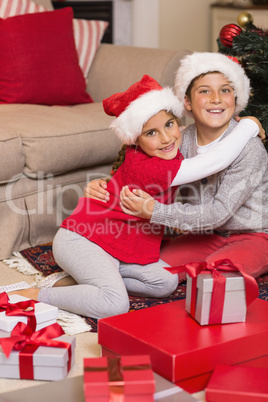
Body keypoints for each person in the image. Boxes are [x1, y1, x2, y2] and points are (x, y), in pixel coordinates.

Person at [9, 70, 263, 319]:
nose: (165, 138)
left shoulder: (176, 142)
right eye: (151, 133)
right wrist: (249, 126)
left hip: (120, 245)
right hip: (87, 239)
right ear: (187, 103)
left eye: (169, 125)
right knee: (114, 304)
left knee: (164, 283)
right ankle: (37, 295)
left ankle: (96, 279)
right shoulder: (165, 154)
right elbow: (212, 162)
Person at [108, 52, 268, 281]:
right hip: (205, 234)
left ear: (236, 97)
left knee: (215, 276)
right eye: (204, 91)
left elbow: (218, 214)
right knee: (153, 270)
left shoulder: (249, 148)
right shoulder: (178, 141)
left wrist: (155, 211)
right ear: (187, 102)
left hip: (253, 236)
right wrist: (104, 184)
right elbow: (138, 167)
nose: (216, 98)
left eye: (225, 90)